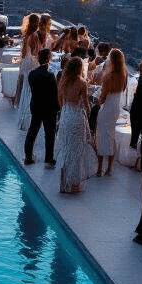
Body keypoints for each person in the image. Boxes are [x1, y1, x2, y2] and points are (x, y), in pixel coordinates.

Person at [57, 56, 91, 194]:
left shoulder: (63, 81)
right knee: (76, 153)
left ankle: (64, 183)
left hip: (66, 117)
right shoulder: (82, 82)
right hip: (77, 118)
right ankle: (74, 185)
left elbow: (60, 102)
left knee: (66, 151)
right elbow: (87, 105)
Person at [94, 48, 127, 177]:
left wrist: (97, 101)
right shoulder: (123, 75)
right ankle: (110, 168)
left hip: (106, 109)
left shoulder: (108, 77)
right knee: (111, 137)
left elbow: (102, 98)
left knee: (101, 137)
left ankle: (100, 168)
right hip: (115, 110)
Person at [24, 48, 58, 168]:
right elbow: (54, 94)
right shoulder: (50, 75)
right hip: (49, 109)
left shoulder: (32, 74)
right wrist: (57, 108)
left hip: (36, 106)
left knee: (32, 132)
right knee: (49, 134)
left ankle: (28, 157)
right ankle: (48, 158)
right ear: (48, 58)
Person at [14, 13, 41, 119]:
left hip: (25, 62)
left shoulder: (27, 34)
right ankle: (28, 109)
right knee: (30, 87)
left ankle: (22, 106)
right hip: (32, 62)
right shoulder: (34, 35)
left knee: (25, 85)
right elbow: (35, 53)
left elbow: (24, 52)